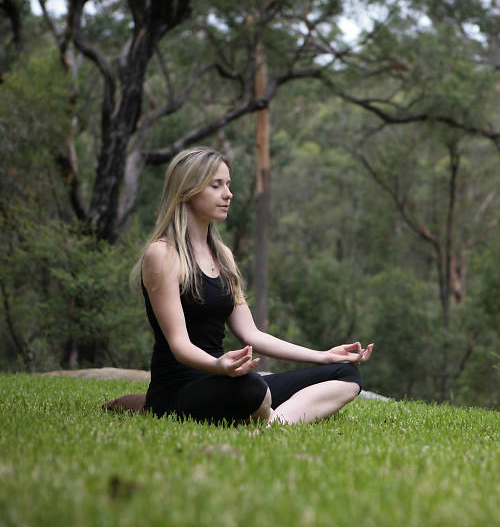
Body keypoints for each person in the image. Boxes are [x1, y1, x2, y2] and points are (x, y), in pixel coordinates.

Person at [103, 146, 373, 425]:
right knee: (252, 388)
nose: (228, 194)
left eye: (228, 185)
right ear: (188, 190)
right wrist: (217, 365)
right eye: (216, 185)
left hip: (225, 380)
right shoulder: (162, 255)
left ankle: (274, 424)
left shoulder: (223, 256)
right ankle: (269, 417)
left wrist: (323, 356)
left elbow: (251, 334)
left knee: (346, 374)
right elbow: (179, 344)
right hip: (181, 387)